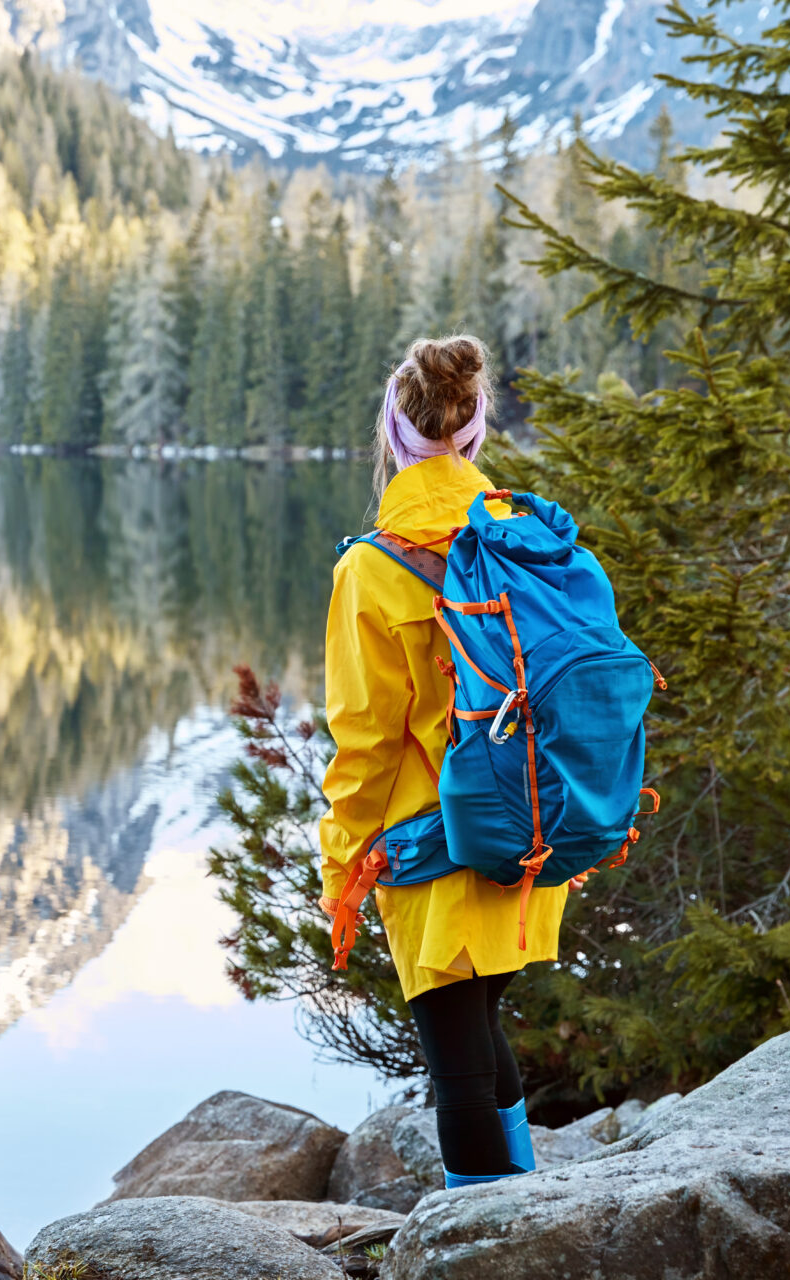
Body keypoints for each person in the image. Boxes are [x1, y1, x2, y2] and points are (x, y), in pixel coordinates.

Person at [317, 335, 566, 1186]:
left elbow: (365, 743)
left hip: (434, 849)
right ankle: (526, 1213)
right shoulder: (524, 540)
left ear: (394, 436)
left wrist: (342, 861)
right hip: (530, 832)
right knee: (481, 1036)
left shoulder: (371, 570)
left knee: (456, 1070)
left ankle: (490, 1249)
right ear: (474, 434)